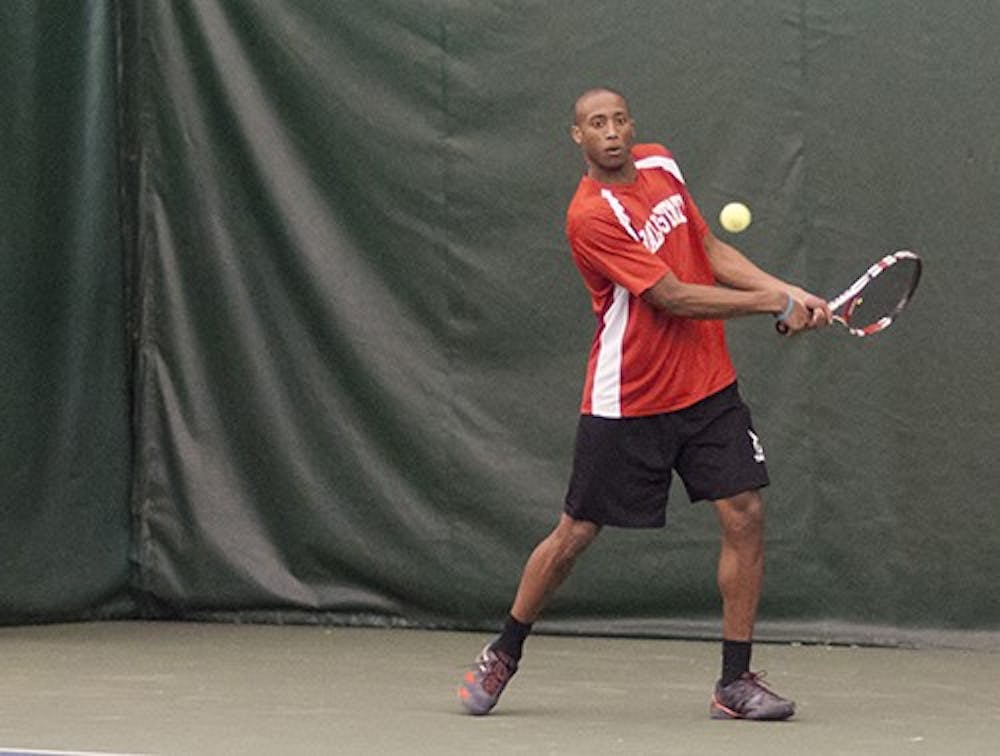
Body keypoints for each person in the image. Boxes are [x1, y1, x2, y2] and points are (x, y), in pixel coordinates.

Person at [457, 88, 831, 721]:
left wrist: (784, 287)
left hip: (708, 387)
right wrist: (772, 305)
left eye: (619, 120)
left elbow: (708, 250)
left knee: (745, 511)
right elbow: (673, 296)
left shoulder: (660, 165)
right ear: (576, 136)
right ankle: (506, 648)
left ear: (633, 126)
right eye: (596, 124)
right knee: (575, 534)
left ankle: (734, 683)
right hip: (629, 398)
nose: (611, 132)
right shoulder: (590, 215)